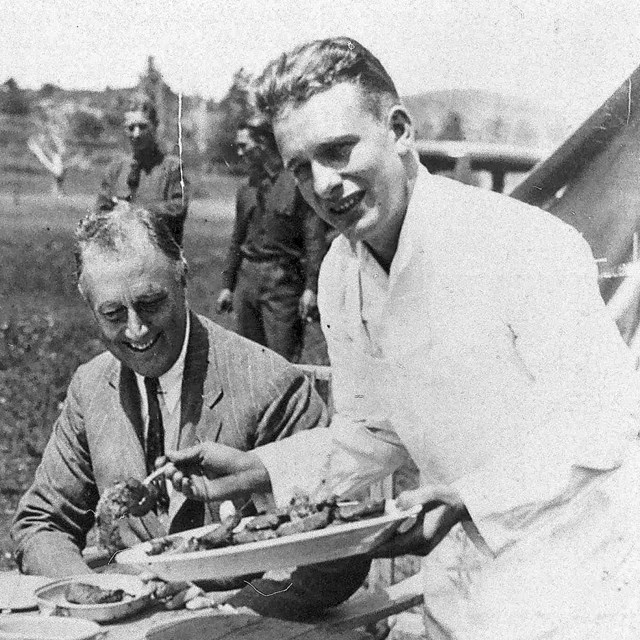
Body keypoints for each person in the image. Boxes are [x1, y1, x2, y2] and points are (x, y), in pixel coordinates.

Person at [159, 37, 640, 640]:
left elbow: (608, 421)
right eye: (301, 167)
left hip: (576, 592)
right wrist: (259, 468)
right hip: (458, 597)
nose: (324, 184)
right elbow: (376, 431)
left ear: (400, 130)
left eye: (339, 151)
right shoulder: (340, 272)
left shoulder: (520, 244)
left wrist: (469, 498)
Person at [11, 202, 369, 618]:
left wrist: (229, 607)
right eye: (112, 314)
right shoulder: (91, 386)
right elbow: (43, 522)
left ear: (182, 280)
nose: (136, 329)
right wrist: (95, 593)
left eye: (150, 303)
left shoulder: (269, 384)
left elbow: (342, 556)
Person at [216, 118, 326, 362]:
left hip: (282, 283)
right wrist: (227, 285)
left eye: (245, 145)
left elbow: (314, 239)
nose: (240, 152)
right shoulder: (246, 188)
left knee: (282, 361)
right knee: (247, 359)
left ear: (263, 143)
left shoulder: (297, 183)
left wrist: (311, 288)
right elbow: (237, 240)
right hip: (247, 281)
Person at [96, 95, 189, 245]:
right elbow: (99, 214)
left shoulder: (172, 168)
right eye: (131, 128)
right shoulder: (116, 169)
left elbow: (178, 209)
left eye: (143, 126)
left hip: (159, 258)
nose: (136, 134)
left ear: (155, 126)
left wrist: (136, 210)